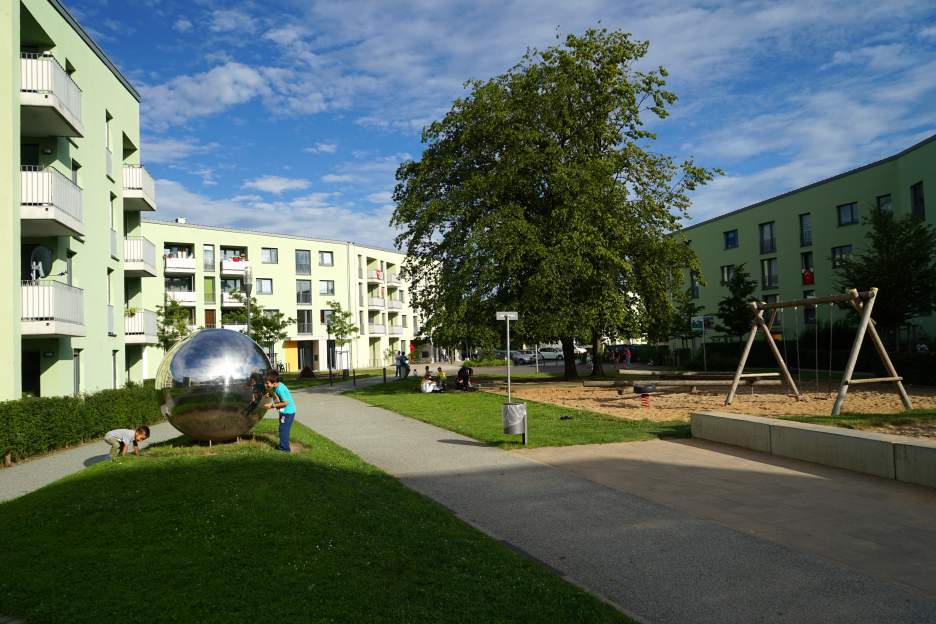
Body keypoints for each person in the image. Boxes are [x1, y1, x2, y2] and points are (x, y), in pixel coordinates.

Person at [263, 371, 296, 453]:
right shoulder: (276, 386)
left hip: (287, 413)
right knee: (284, 429)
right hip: (285, 412)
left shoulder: (280, 389)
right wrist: (270, 395)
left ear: (274, 383)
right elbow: (276, 395)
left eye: (267, 383)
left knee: (283, 430)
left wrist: (272, 406)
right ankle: (284, 446)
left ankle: (284, 449)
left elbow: (285, 403)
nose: (265, 385)